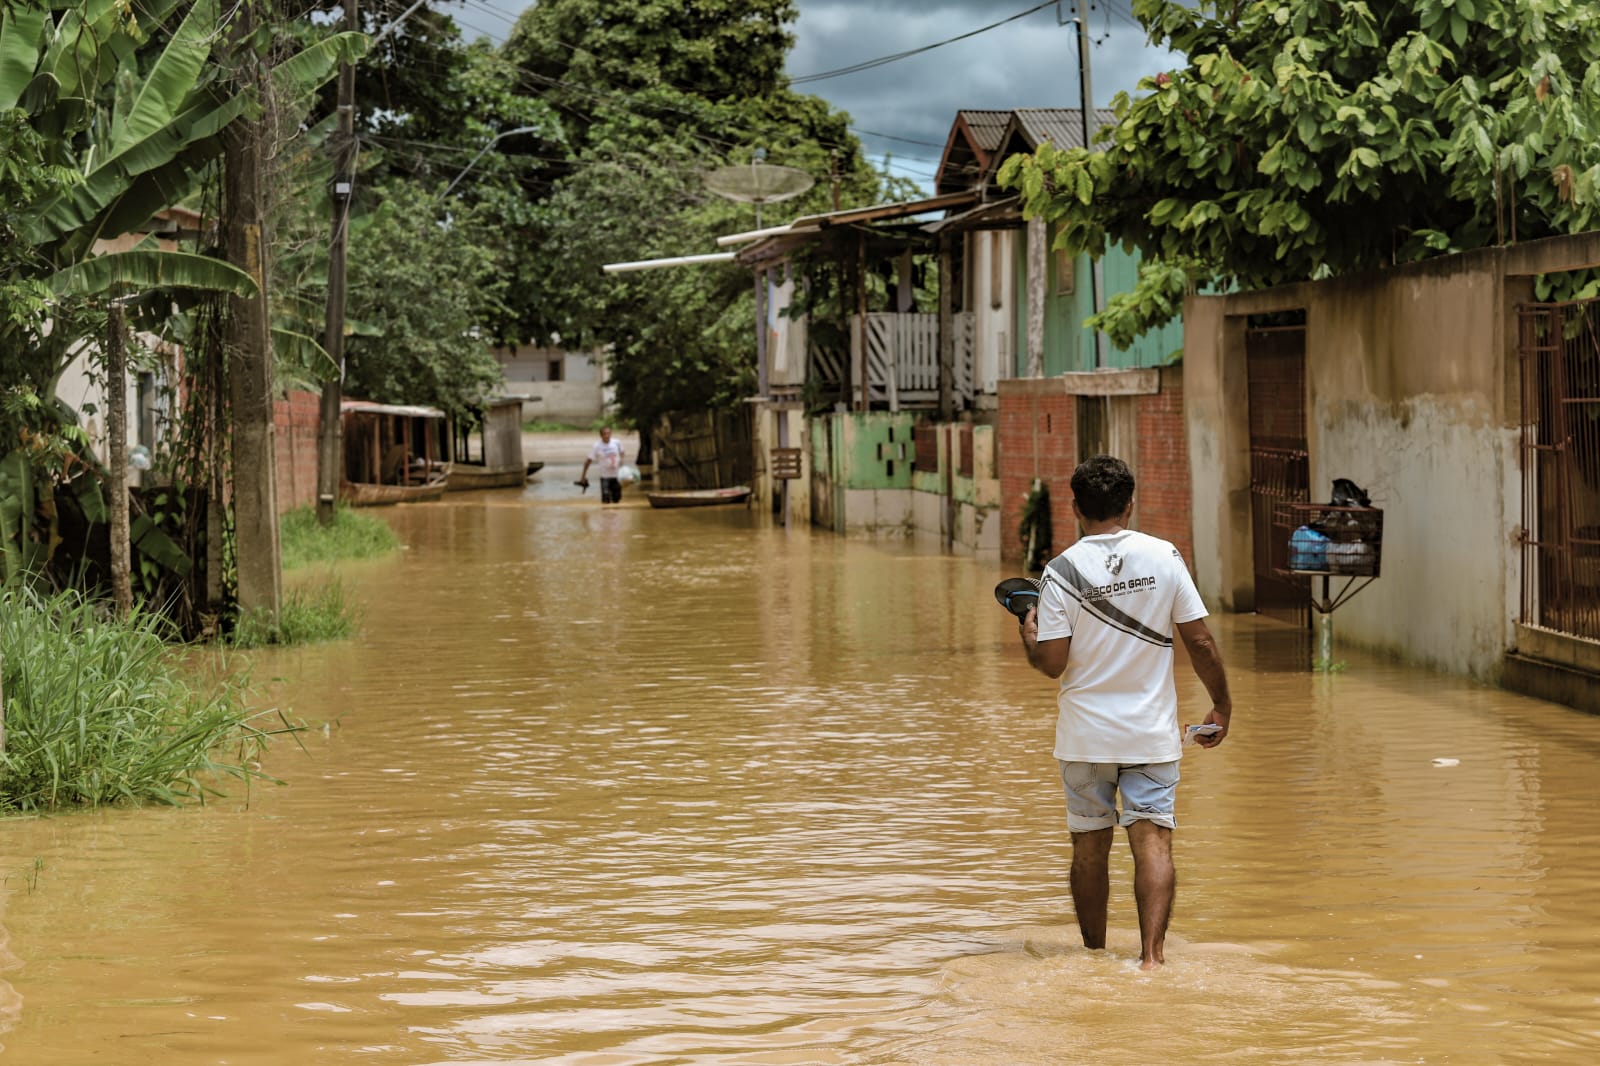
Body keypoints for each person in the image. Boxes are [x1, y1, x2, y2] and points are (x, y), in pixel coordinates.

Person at [1016, 454, 1231, 971]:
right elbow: (1200, 641)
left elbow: (1051, 664)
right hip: (1149, 734)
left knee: (1089, 849)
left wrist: (1028, 634)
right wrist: (1222, 703)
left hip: (1085, 738)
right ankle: (1152, 960)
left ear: (1074, 508)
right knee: (1153, 842)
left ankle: (1093, 957)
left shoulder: (1060, 571)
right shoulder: (1165, 557)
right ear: (1130, 504)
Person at [580, 426, 625, 504]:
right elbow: (588, 461)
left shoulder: (617, 443)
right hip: (605, 478)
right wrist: (583, 476)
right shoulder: (597, 446)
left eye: (608, 433)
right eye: (605, 434)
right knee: (606, 501)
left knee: (616, 501)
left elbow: (622, 452)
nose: (607, 435)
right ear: (601, 435)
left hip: (616, 477)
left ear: (611, 434)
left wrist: (619, 461)